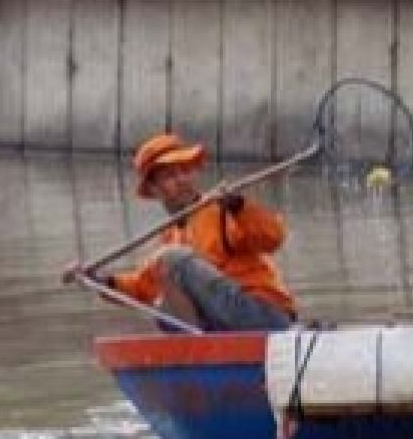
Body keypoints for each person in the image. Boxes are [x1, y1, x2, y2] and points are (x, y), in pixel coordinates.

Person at [62, 133, 297, 332]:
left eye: (186, 171)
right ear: (153, 188)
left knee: (171, 258)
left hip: (263, 316)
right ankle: (200, 358)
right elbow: (142, 287)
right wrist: (98, 280)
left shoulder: (222, 210)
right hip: (227, 322)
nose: (182, 180)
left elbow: (273, 238)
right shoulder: (170, 236)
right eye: (171, 176)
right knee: (162, 306)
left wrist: (239, 207)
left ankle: (197, 349)